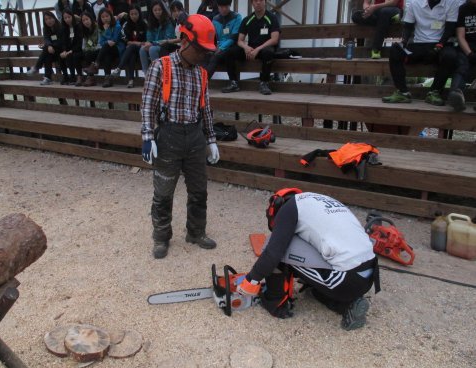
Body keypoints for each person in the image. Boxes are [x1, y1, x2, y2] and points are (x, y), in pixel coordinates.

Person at [236, 189, 380, 330]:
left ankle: (275, 302)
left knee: (277, 245)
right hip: (369, 275)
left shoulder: (288, 209)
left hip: (345, 279)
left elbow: (273, 253)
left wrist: (251, 279)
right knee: (314, 290)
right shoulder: (316, 200)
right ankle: (345, 304)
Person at [141, 13, 220, 259]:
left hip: (194, 136)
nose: (203, 55)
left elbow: (205, 108)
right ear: (185, 41)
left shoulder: (201, 73)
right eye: (200, 50)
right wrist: (147, 136)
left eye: (206, 52)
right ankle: (161, 237)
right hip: (169, 135)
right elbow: (148, 105)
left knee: (199, 190)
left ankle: (196, 232)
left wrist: (211, 139)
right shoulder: (160, 67)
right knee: (163, 191)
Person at [382, 0, 459, 106]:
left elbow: (450, 28)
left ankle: (434, 92)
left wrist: (439, 46)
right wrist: (403, 42)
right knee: (395, 50)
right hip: (419, 44)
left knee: (450, 56)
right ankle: (403, 92)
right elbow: (408, 26)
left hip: (442, 44)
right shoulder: (415, 3)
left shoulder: (452, 3)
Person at [221, 0, 280, 95]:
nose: (258, 3)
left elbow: (274, 39)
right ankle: (234, 82)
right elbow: (240, 40)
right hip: (250, 50)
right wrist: (246, 47)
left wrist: (258, 49)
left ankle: (264, 83)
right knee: (229, 52)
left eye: (261, 0)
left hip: (264, 49)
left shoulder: (272, 18)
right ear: (252, 3)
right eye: (255, 1)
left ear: (265, 2)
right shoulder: (247, 19)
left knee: (268, 53)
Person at [446, 0, 476, 111]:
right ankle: (456, 95)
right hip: (467, 46)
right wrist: (470, 53)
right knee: (462, 64)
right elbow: (460, 36)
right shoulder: (464, 9)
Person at [84, 7, 124, 87]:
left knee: (107, 46)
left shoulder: (117, 26)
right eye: (103, 17)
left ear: (111, 16)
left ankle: (95, 65)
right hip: (108, 50)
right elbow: (101, 42)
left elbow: (114, 41)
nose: (105, 18)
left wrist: (107, 31)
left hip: (117, 49)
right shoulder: (101, 27)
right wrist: (106, 40)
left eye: (107, 16)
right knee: (106, 55)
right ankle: (107, 78)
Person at [111, 4, 147, 87]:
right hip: (131, 50)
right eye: (132, 14)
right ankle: (131, 80)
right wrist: (134, 43)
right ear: (129, 14)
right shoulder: (126, 24)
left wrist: (136, 43)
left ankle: (119, 68)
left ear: (139, 14)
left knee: (131, 48)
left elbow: (146, 41)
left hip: (142, 49)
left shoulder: (144, 24)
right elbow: (125, 40)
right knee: (132, 55)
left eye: (136, 14)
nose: (134, 16)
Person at [206, 0, 242, 78]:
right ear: (218, 6)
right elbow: (212, 37)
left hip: (233, 46)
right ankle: (201, 80)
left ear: (230, 6)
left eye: (226, 6)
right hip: (219, 47)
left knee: (218, 56)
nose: (224, 9)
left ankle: (204, 81)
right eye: (221, 7)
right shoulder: (215, 19)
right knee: (206, 55)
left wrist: (221, 48)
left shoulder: (237, 17)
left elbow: (234, 37)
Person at [26, 11, 62, 85]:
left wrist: (50, 46)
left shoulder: (60, 27)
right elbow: (46, 39)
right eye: (46, 19)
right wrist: (49, 46)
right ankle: (47, 78)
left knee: (46, 50)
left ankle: (37, 67)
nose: (48, 21)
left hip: (61, 50)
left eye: (50, 18)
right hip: (51, 51)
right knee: (47, 56)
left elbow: (61, 41)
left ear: (54, 18)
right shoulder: (45, 29)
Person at [139, 0, 175, 73]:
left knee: (152, 49)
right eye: (155, 10)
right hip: (155, 44)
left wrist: (152, 43)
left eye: (159, 10)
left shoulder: (168, 21)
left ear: (163, 10)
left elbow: (168, 38)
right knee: (142, 49)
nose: (157, 12)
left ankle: (157, 72)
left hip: (166, 45)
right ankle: (146, 74)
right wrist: (148, 43)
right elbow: (149, 38)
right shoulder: (151, 22)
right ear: (152, 11)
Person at [59, 8, 84, 85]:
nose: (67, 19)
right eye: (65, 18)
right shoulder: (64, 29)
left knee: (73, 55)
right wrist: (64, 51)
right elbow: (63, 42)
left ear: (72, 17)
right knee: (61, 56)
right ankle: (68, 76)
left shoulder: (78, 27)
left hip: (78, 49)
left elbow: (80, 42)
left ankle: (79, 75)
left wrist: (71, 50)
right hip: (69, 50)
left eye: (69, 17)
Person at [79, 11, 100, 86]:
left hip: (99, 50)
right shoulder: (85, 31)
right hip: (90, 51)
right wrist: (87, 49)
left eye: (87, 19)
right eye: (83, 20)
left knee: (89, 53)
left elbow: (100, 44)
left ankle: (90, 77)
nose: (86, 22)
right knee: (82, 54)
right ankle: (87, 77)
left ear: (91, 19)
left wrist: (90, 48)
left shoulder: (98, 27)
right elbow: (84, 46)